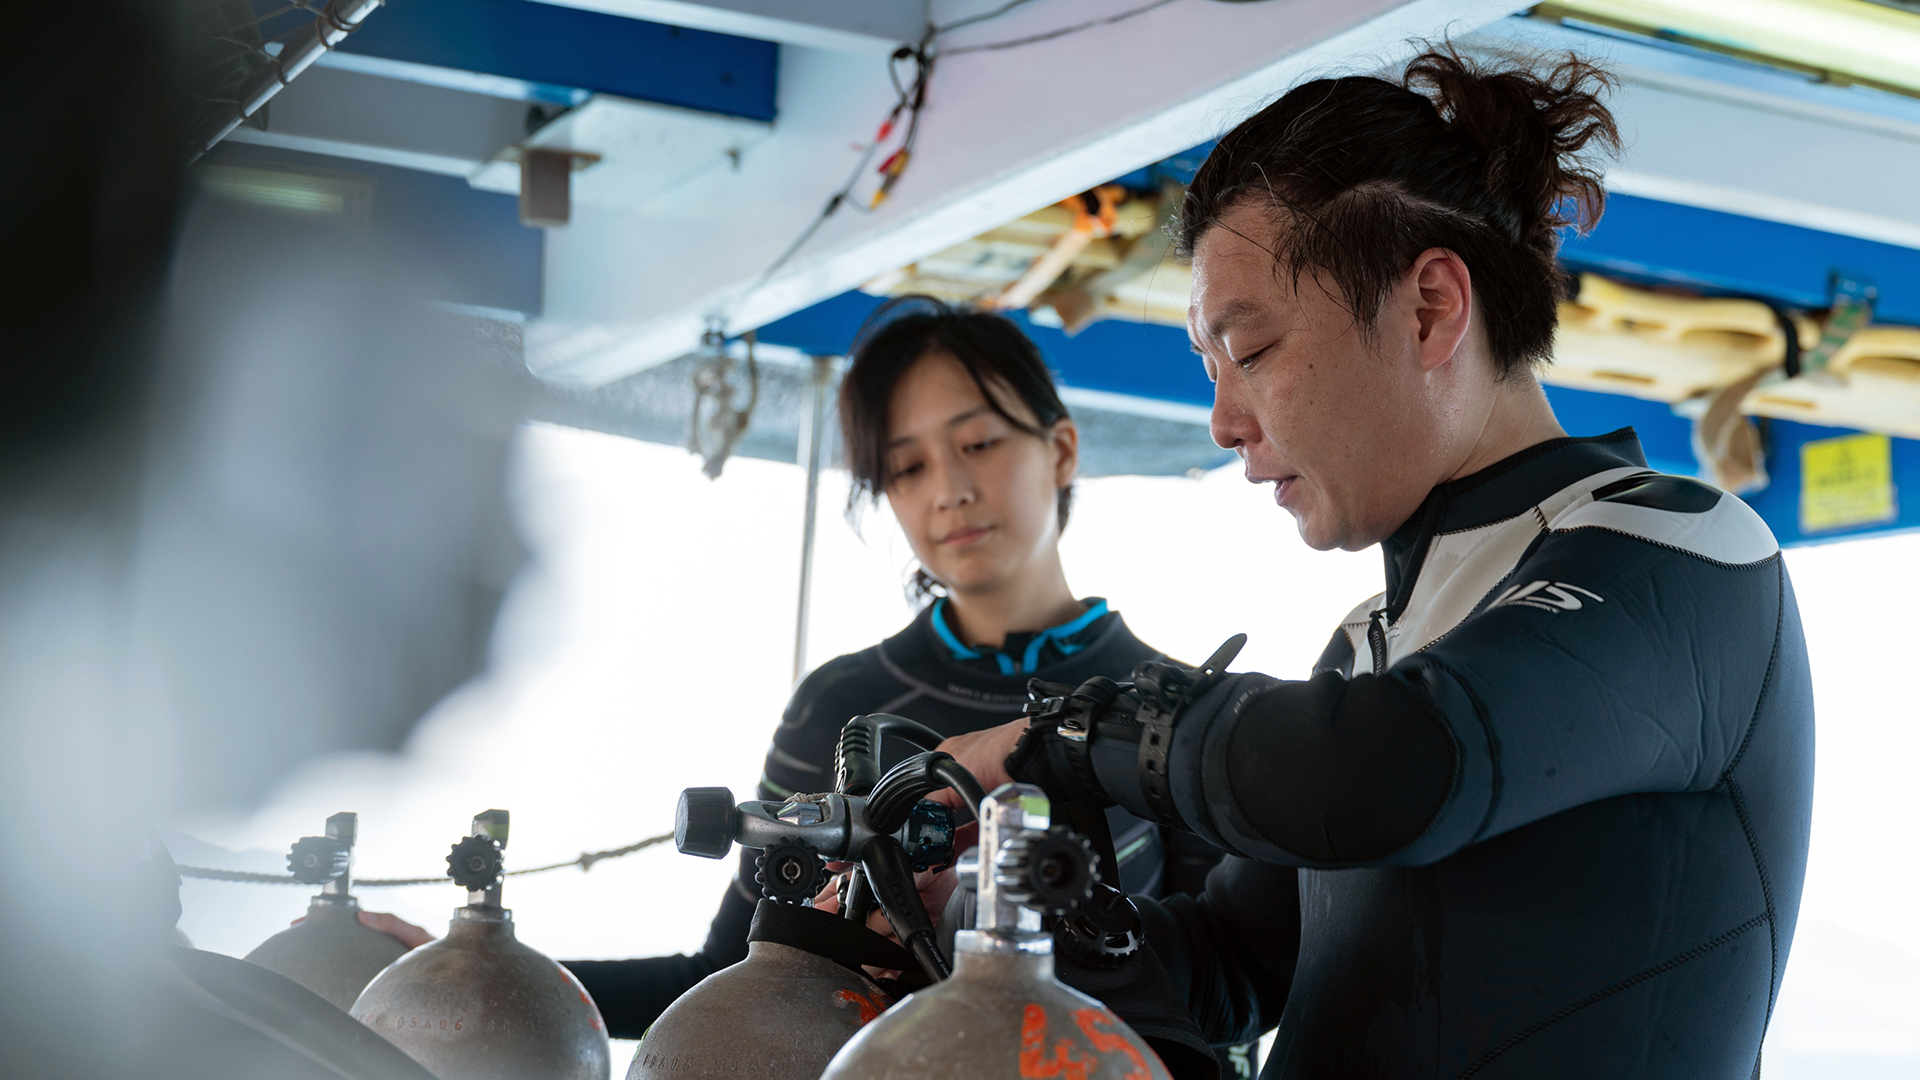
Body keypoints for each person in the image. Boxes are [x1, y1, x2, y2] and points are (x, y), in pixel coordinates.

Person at [938, 48, 1814, 1079]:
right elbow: (1229, 967)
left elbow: (1384, 773)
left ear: (1431, 309)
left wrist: (1068, 738)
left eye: (1251, 352)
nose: (1223, 421)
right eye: (1209, 371)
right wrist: (1015, 915)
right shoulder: (1368, 649)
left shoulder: (1682, 552)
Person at [540, 300, 1222, 1068]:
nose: (949, 488)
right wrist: (490, 965)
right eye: (907, 465)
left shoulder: (1172, 713)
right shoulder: (837, 705)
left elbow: (1214, 1005)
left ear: (1061, 449)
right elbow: (733, 978)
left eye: (979, 441)